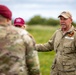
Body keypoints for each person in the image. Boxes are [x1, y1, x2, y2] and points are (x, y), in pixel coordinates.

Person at [0, 4, 41, 75]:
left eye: (20, 26)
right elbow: (33, 66)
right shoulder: (24, 35)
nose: (18, 27)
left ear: (24, 26)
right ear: (8, 20)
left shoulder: (25, 35)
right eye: (16, 25)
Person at [35, 11, 76, 75]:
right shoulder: (57, 32)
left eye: (65, 19)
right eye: (61, 19)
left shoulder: (75, 34)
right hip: (55, 71)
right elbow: (49, 45)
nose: (62, 21)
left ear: (71, 20)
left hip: (69, 72)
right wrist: (32, 46)